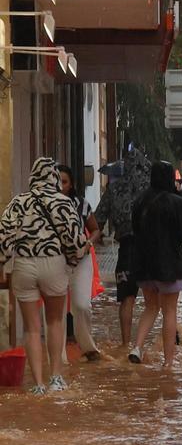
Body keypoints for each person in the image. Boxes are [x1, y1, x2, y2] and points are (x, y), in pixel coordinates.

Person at [0, 157, 90, 394]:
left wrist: (3, 263)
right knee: (55, 322)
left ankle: (38, 383)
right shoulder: (63, 202)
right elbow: (77, 241)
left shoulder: (18, 202)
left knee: (31, 328)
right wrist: (72, 262)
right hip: (53, 264)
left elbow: (3, 238)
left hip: (24, 265)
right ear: (54, 178)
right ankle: (56, 378)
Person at [128, 161, 182, 369]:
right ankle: (168, 362)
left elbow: (135, 230)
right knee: (169, 311)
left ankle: (137, 347)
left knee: (150, 307)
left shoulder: (140, 201)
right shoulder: (177, 202)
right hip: (170, 265)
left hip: (144, 264)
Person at [94, 145, 151, 347]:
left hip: (127, 249)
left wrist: (96, 238)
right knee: (156, 301)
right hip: (151, 249)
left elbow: (97, 221)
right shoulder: (150, 188)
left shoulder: (114, 189)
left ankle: (126, 344)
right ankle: (149, 346)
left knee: (127, 298)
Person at [56, 164, 103, 362]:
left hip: (80, 260)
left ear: (72, 184)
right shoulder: (45, 205)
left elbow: (96, 229)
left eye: (65, 182)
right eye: (58, 181)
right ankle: (58, 358)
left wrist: (87, 244)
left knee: (82, 305)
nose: (61, 186)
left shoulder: (81, 204)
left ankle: (88, 348)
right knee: (56, 309)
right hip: (55, 262)